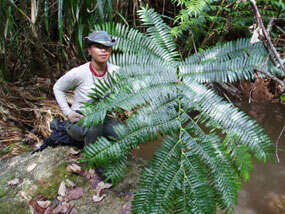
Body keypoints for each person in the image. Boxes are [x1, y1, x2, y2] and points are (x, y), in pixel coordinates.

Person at [53, 31, 119, 146]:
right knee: (94, 129)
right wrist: (68, 113)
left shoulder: (116, 71)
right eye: (99, 47)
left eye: (107, 47)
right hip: (79, 119)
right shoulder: (79, 72)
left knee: (122, 133)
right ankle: (92, 161)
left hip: (102, 118)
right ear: (89, 51)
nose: (104, 51)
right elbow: (58, 87)